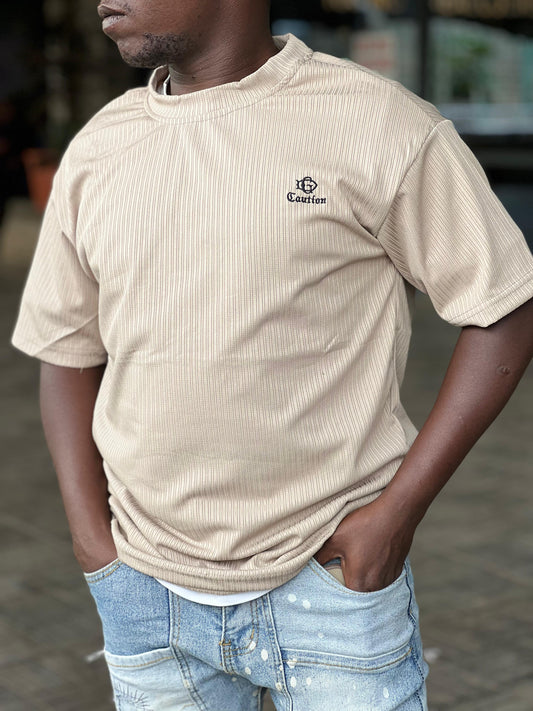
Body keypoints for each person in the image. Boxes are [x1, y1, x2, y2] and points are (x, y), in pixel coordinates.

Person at [12, 1, 533, 709]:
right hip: (145, 587)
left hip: (330, 583)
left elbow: (503, 307)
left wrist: (397, 513)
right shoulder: (100, 147)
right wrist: (91, 543)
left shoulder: (376, 123)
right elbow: (65, 352)